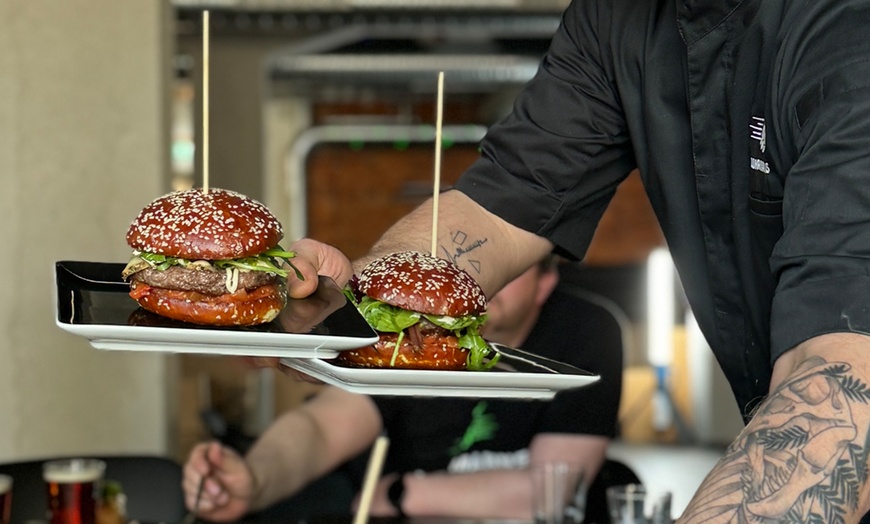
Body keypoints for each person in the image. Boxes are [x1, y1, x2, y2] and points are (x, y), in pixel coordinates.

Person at [279, 1, 870, 521]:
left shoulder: (850, 32)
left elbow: (846, 382)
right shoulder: (615, 18)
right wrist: (357, 298)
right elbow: (501, 204)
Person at [183, 258, 624, 522]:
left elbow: (549, 491)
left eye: (511, 270)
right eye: (476, 268)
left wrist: (400, 493)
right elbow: (321, 428)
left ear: (545, 282)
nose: (483, 283)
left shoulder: (584, 330)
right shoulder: (412, 332)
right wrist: (254, 478)